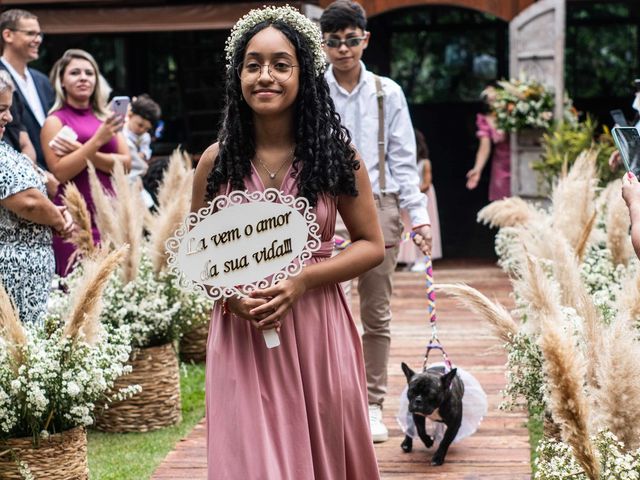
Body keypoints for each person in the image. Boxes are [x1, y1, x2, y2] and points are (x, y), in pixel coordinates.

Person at [191, 6, 384, 478]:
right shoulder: (215, 163)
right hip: (243, 334)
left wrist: (301, 280)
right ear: (238, 75)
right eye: (253, 64)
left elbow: (371, 245)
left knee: (322, 455)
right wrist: (231, 297)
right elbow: (198, 257)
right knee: (252, 461)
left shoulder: (337, 156)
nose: (265, 76)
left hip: (317, 326)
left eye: (281, 64)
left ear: (303, 74)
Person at [320, 0, 432, 443]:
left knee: (375, 312)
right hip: (323, 203)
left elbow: (404, 160)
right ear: (323, 44)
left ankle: (371, 403)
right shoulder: (311, 89)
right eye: (334, 41)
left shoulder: (388, 92)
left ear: (365, 39)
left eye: (351, 40)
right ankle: (330, 400)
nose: (343, 49)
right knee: (325, 306)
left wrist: (418, 218)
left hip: (380, 204)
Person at [41, 49, 130, 276]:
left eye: (89, 73)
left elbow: (126, 164)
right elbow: (60, 172)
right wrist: (98, 140)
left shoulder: (105, 119)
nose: (83, 77)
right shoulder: (55, 121)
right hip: (75, 219)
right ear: (61, 80)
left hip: (110, 216)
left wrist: (81, 151)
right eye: (75, 73)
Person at [0, 70, 73, 324]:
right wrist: (58, 219)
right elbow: (28, 203)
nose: (8, 117)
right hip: (13, 271)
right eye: (2, 109)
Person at [0, 8, 54, 168]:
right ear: (7, 35)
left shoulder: (42, 80)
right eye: (30, 33)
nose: (38, 40)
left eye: (39, 34)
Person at [398, 129, 442, 271]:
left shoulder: (425, 162)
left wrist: (413, 193)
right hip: (409, 197)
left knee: (421, 226)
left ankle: (422, 258)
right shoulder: (405, 163)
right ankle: (410, 258)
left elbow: (427, 183)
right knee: (408, 227)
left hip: (424, 197)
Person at [466, 83, 511, 201]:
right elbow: (484, 147)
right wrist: (477, 169)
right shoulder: (485, 119)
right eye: (488, 96)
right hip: (501, 166)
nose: (491, 97)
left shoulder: (514, 112)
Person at [124, 93, 161, 208]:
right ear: (130, 115)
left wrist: (142, 155)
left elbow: (146, 151)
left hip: (136, 170)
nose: (142, 130)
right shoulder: (122, 130)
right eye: (140, 125)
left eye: (147, 129)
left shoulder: (145, 137)